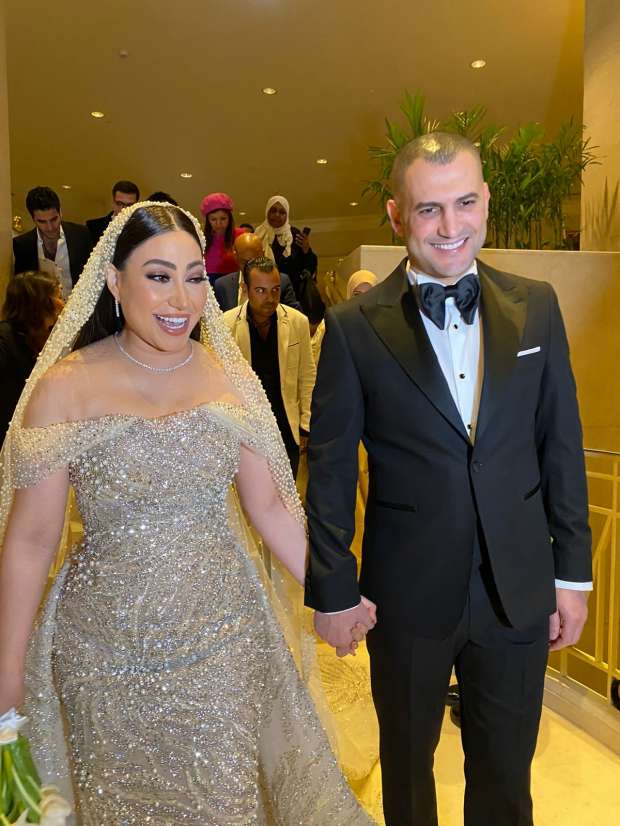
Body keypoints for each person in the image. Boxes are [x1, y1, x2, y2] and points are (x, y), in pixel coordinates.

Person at [0, 203, 373, 825]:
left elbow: (270, 506)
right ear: (114, 281)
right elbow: (32, 539)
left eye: (195, 276)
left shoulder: (228, 378)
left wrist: (336, 594)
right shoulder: (64, 387)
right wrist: (7, 666)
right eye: (158, 276)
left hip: (224, 641)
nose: (181, 298)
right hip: (101, 655)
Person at [305, 132, 592, 826]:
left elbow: (560, 445)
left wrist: (573, 575)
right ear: (397, 214)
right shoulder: (353, 327)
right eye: (429, 209)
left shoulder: (538, 305)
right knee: (407, 777)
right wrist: (333, 589)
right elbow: (332, 468)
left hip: (518, 588)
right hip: (405, 593)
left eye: (465, 203)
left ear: (486, 200)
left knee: (506, 779)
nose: (450, 226)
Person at [222, 256, 316, 478]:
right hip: (246, 430)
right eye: (261, 291)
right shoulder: (226, 325)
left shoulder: (297, 322)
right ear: (245, 289)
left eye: (275, 290)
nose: (270, 298)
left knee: (287, 493)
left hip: (286, 427)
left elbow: (307, 376)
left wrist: (306, 424)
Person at [0, 270, 64, 442]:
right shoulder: (4, 338)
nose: (63, 303)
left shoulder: (44, 337)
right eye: (58, 296)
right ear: (39, 302)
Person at [13, 187, 93, 299]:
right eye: (42, 222)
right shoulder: (22, 245)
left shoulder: (80, 235)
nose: (50, 227)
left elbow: (92, 276)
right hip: (42, 308)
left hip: (79, 305)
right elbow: (23, 289)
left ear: (60, 212)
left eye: (54, 219)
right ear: (33, 219)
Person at [213, 232, 301, 312]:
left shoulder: (281, 282)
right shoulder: (222, 285)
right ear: (236, 257)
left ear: (263, 254)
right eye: (245, 262)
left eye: (254, 261)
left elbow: (294, 317)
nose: (250, 268)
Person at [255, 195, 318, 300]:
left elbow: (309, 268)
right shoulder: (258, 235)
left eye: (282, 212)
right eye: (273, 211)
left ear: (287, 215)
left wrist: (306, 250)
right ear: (267, 212)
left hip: (291, 295)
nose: (277, 215)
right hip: (263, 293)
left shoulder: (294, 235)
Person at [200, 192, 244, 283]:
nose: (218, 223)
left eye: (223, 219)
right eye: (213, 219)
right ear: (208, 221)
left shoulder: (241, 235)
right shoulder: (201, 238)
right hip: (208, 284)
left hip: (233, 282)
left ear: (229, 218)